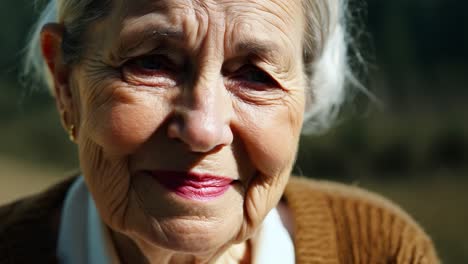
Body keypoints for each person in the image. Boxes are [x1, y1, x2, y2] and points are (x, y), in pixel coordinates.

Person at [0, 0, 439, 263]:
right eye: (152, 63)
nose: (203, 128)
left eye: (256, 75)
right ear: (64, 80)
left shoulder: (381, 250)